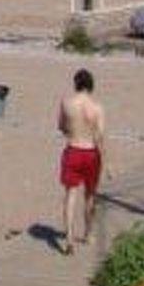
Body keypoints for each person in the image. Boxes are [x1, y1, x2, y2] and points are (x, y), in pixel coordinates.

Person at [57, 67, 106, 255]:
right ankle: (88, 233)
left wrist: (72, 130)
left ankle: (69, 238)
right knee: (90, 196)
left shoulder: (66, 103)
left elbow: (62, 126)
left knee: (70, 195)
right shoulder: (97, 107)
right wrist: (107, 161)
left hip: (73, 149)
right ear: (91, 85)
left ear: (76, 84)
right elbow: (100, 137)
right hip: (91, 152)